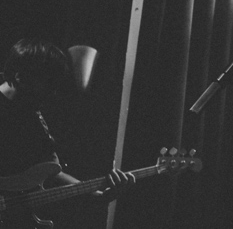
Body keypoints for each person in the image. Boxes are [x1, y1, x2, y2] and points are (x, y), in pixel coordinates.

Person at [0, 38, 134, 212]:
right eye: (48, 82)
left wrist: (99, 196)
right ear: (20, 77)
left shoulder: (31, 116)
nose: (53, 92)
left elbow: (51, 173)